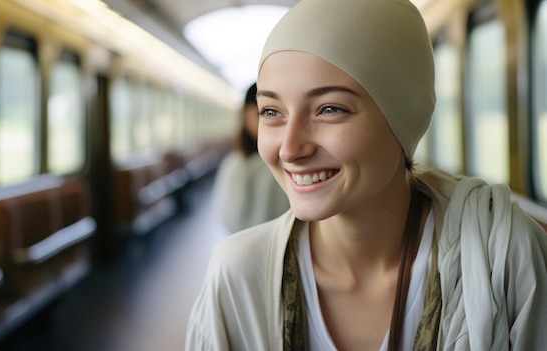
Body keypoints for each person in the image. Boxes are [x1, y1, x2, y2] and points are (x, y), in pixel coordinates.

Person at [186, 0, 547, 350]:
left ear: (403, 116)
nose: (290, 149)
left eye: (330, 109)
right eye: (271, 111)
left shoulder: (505, 258)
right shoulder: (236, 277)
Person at [212, 82, 290, 233]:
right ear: (245, 115)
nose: (265, 122)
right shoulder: (235, 164)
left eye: (273, 113)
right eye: (263, 113)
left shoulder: (286, 162)